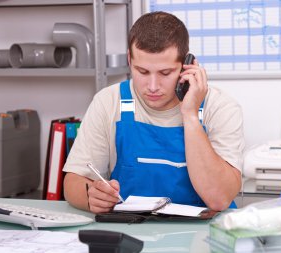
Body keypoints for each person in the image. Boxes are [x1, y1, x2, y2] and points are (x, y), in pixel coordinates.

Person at [63, 11, 245, 214]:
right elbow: (73, 181)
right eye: (142, 71)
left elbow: (219, 199)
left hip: (202, 235)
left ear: (187, 66)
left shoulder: (220, 107)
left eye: (165, 73)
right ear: (130, 61)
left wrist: (191, 115)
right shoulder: (108, 102)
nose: (152, 86)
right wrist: (90, 196)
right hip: (132, 231)